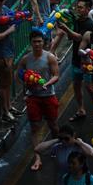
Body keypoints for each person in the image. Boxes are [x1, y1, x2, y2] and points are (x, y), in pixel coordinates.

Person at [17, 30, 60, 172]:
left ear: (44, 42)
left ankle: (58, 147)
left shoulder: (50, 57)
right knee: (34, 127)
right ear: (30, 43)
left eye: (39, 41)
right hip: (33, 97)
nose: (37, 44)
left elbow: (56, 75)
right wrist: (26, 85)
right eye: (34, 41)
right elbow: (20, 74)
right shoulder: (25, 59)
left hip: (48, 95)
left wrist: (47, 84)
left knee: (53, 125)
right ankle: (37, 157)